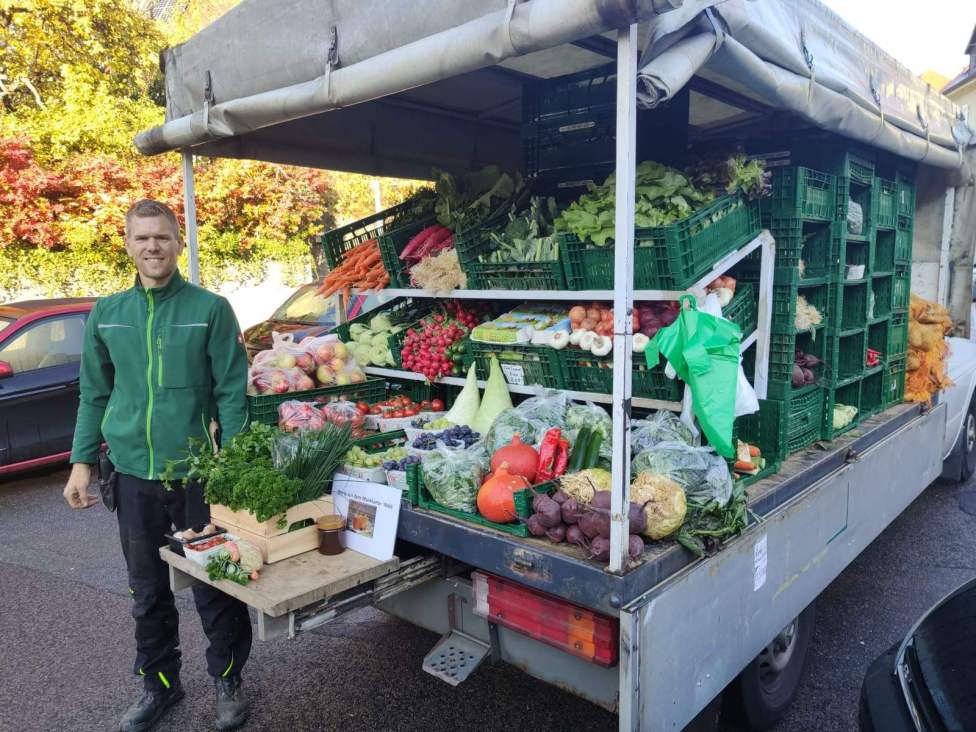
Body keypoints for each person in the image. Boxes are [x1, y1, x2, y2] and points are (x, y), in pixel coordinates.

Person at [63, 199, 253, 732]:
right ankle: (160, 685)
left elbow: (232, 393)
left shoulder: (210, 309)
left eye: (162, 237)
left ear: (178, 243)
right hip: (131, 478)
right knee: (147, 592)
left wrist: (234, 467)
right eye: (142, 238)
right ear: (128, 245)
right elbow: (94, 395)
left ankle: (228, 682)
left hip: (196, 478)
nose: (153, 246)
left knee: (216, 585)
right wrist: (81, 463)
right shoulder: (107, 313)